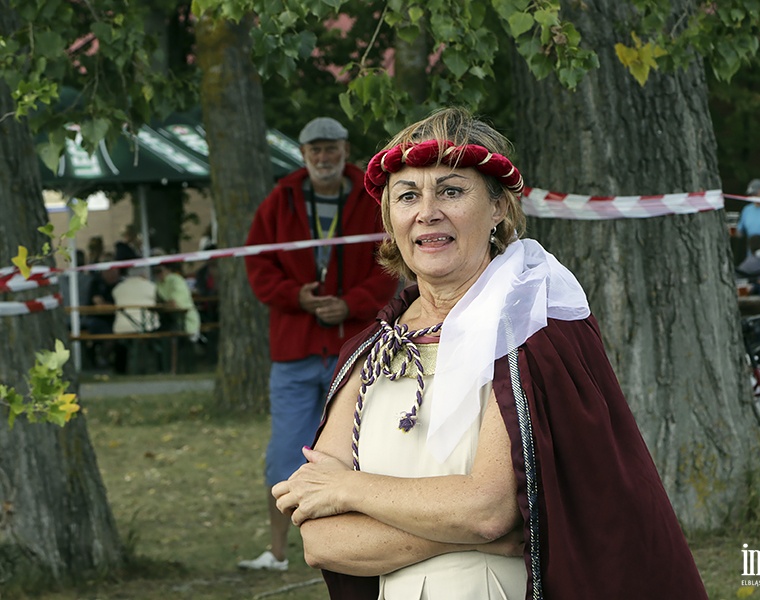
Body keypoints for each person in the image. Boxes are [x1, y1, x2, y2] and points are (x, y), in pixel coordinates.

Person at [271, 108, 708, 598]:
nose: (427, 211)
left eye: (452, 191)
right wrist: (465, 532)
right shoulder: (370, 351)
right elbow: (321, 540)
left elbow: (487, 510)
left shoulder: (532, 333)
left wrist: (348, 489)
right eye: (408, 195)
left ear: (499, 207)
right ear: (390, 218)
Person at [240, 116, 399, 571]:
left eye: (331, 149)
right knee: (285, 451)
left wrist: (351, 304)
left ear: (345, 150)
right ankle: (276, 552)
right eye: (315, 150)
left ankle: (361, 546)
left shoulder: (373, 197)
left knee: (363, 449)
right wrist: (296, 297)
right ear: (304, 154)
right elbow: (259, 266)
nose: (324, 157)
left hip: (355, 349)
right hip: (294, 349)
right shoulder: (281, 199)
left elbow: (390, 261)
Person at [153, 261, 201, 342]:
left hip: (186, 323)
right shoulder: (159, 284)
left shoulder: (176, 281)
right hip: (171, 322)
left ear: (168, 270)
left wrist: (162, 306)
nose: (157, 274)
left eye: (159, 271)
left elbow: (173, 304)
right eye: (154, 272)